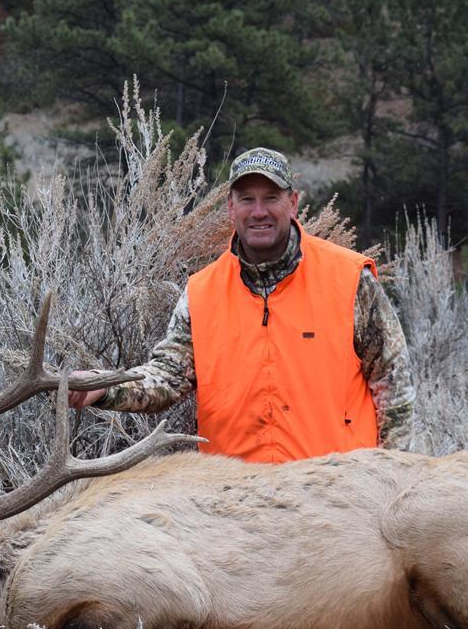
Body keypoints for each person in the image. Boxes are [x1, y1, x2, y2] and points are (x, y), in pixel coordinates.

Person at [68, 147, 415, 463]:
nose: (259, 212)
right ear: (231, 208)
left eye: (271, 198)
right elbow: (168, 376)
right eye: (247, 199)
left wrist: (393, 474)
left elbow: (394, 382)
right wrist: (104, 386)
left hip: (333, 491)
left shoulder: (348, 279)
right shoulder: (202, 292)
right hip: (236, 498)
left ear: (293, 203)